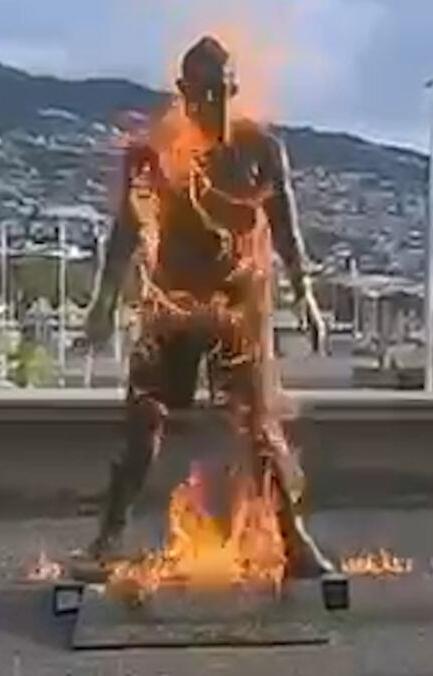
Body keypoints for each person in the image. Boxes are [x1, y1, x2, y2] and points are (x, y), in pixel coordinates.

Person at [76, 35, 334, 578]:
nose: (214, 105)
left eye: (224, 92)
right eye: (204, 93)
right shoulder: (153, 152)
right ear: (184, 91)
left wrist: (305, 294)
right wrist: (103, 302)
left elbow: (284, 227)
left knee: (258, 426)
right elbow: (126, 232)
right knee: (143, 420)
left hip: (233, 309)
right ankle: (108, 536)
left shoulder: (260, 149)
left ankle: (293, 540)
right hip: (171, 305)